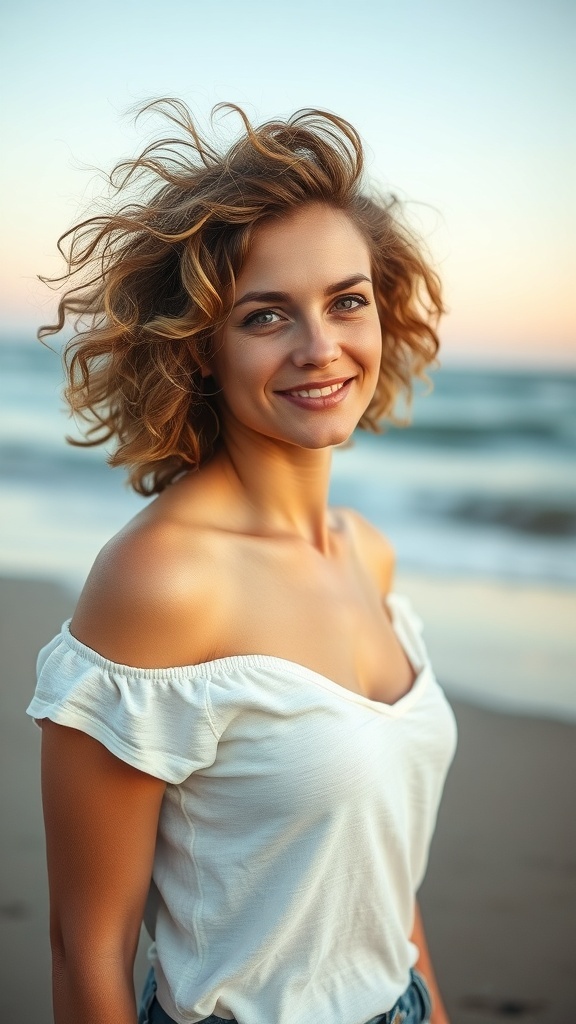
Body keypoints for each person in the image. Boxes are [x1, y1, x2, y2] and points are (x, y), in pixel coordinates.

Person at [27, 99, 457, 1024]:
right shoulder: (163, 584)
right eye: (267, 317)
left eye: (347, 300)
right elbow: (87, 949)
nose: (321, 348)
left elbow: (376, 866)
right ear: (199, 352)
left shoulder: (367, 556)